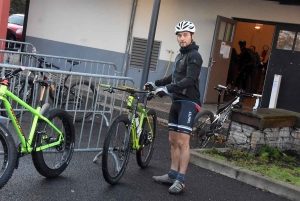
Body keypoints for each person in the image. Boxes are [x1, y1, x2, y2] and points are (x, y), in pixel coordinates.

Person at [144, 20, 202, 194]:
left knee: (183, 143)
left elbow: (190, 80)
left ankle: (181, 180)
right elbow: (174, 77)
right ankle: (172, 174)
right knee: (173, 141)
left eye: (185, 35)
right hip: (177, 101)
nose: (182, 38)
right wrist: (156, 83)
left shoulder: (194, 56)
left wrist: (167, 89)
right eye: (179, 35)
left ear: (192, 36)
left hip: (189, 102)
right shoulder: (180, 56)